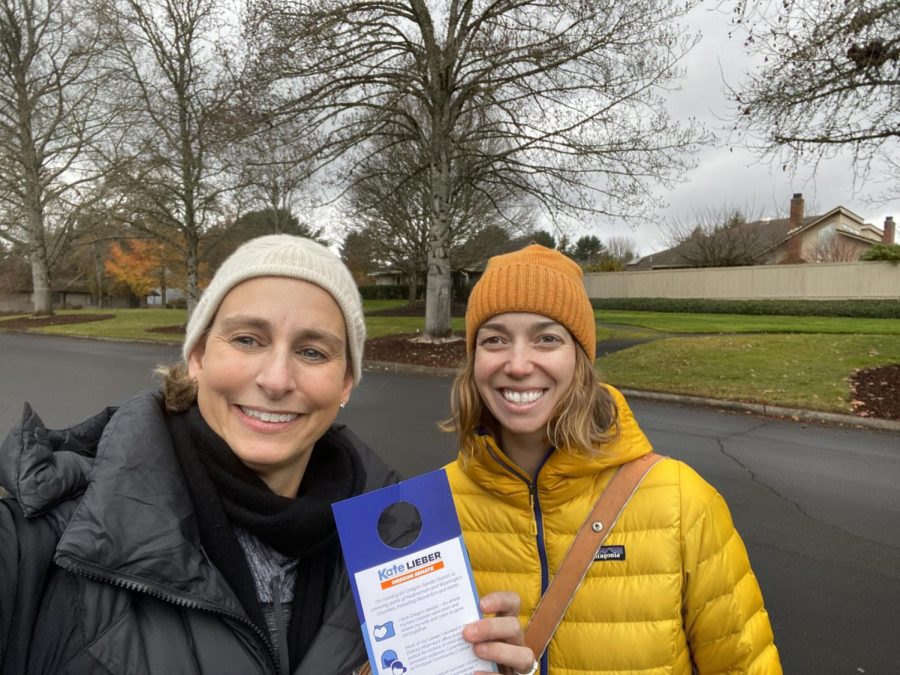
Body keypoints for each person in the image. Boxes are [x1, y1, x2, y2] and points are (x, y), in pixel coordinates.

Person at [0, 235, 411, 674]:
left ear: (346, 382)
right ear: (197, 355)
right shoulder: (42, 540)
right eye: (248, 339)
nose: (275, 380)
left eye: (312, 351)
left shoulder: (399, 539)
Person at [448, 244, 782, 674]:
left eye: (547, 338)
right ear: (474, 359)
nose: (517, 364)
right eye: (494, 339)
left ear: (581, 358)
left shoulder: (682, 502)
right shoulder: (431, 509)